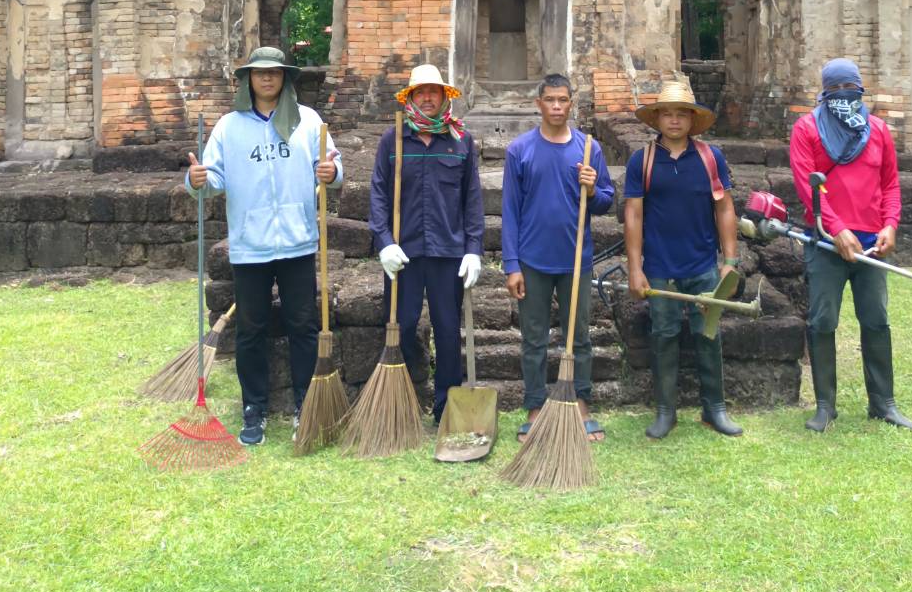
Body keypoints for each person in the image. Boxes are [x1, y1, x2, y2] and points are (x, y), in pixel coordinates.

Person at [187, 46, 342, 446]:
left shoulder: (308, 121)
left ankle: (305, 404)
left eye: (274, 72)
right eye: (259, 73)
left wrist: (332, 171)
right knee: (251, 330)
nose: (267, 79)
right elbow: (212, 177)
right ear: (248, 79)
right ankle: (253, 408)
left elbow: (331, 167)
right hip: (250, 244)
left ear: (285, 77)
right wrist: (198, 179)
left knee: (303, 326)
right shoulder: (229, 126)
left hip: (297, 241)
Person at [788, 56, 912, 432]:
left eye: (852, 90)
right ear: (825, 92)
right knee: (823, 320)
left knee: (876, 319)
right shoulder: (806, 129)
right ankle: (825, 406)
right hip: (827, 243)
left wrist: (890, 225)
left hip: (873, 244)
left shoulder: (877, 130)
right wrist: (836, 228)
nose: (844, 96)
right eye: (837, 90)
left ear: (861, 91)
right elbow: (806, 187)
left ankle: (883, 403)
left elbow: (890, 184)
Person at [624, 81, 743, 439]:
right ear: (657, 119)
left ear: (692, 120)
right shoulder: (641, 160)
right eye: (667, 114)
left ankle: (715, 408)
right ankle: (665, 411)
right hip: (659, 268)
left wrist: (730, 261)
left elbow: (724, 208)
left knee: (709, 335)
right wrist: (635, 267)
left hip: (703, 265)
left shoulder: (710, 158)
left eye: (681, 114)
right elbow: (633, 216)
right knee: (663, 336)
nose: (674, 121)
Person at [368, 64, 485, 424]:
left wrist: (474, 249)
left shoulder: (461, 141)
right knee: (400, 327)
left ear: (444, 96)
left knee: (448, 332)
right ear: (411, 98)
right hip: (403, 255)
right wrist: (384, 242)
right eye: (421, 92)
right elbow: (378, 194)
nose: (429, 98)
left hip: (448, 253)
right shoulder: (393, 139)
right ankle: (402, 400)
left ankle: (445, 407)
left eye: (435, 91)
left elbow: (473, 199)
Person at [502, 74, 615, 442]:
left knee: (578, 336)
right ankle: (535, 406)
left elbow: (605, 202)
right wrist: (512, 265)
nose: (556, 106)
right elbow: (511, 211)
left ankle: (580, 403)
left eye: (562, 100)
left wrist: (592, 187)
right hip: (533, 260)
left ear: (571, 103)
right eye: (549, 100)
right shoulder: (520, 150)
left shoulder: (588, 149)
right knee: (533, 338)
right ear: (539, 104)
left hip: (576, 260)